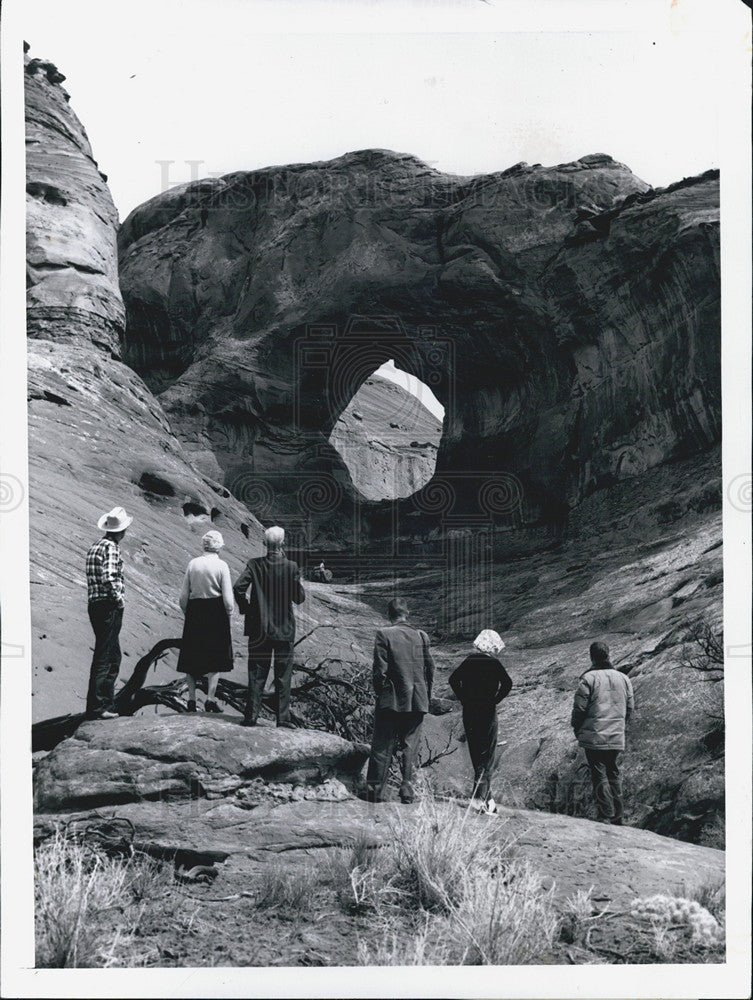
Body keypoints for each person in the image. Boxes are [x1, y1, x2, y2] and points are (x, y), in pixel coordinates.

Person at [364, 598, 435, 804]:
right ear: (408, 613)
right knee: (410, 746)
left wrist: (380, 694)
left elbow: (380, 671)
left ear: (389, 614)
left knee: (382, 744)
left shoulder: (384, 634)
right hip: (418, 699)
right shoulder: (421, 636)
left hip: (392, 699)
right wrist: (426, 696)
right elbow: (430, 669)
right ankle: (407, 790)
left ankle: (374, 791)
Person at [233, 526, 305, 728]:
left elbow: (238, 588)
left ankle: (251, 716)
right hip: (283, 629)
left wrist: (247, 609)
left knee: (257, 673)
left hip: (259, 629)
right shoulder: (291, 566)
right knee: (282, 675)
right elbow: (299, 598)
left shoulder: (254, 565)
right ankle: (282, 719)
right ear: (282, 543)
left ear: (265, 544)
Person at [571, 640, 635, 825]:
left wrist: (576, 727)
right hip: (615, 733)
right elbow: (630, 707)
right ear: (608, 654)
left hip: (595, 735)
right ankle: (618, 815)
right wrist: (620, 725)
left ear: (592, 657)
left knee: (598, 772)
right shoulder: (623, 678)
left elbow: (579, 709)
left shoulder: (588, 679)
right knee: (613, 771)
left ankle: (605, 814)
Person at [449, 629, 512, 814]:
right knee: (487, 756)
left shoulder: (469, 661)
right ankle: (482, 801)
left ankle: (486, 799)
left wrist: (463, 698)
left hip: (470, 712)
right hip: (487, 712)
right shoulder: (494, 663)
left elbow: (453, 679)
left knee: (476, 754)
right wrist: (494, 699)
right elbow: (507, 684)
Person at [176, 529, 235, 712]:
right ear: (218, 546)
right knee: (215, 657)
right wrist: (229, 613)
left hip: (195, 610)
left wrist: (188, 612)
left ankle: (192, 700)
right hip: (216, 611)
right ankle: (210, 698)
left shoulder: (193, 564)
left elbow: (182, 598)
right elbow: (227, 599)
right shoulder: (222, 566)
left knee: (191, 655)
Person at [85, 506, 133, 719]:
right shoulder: (112, 547)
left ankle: (105, 704)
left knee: (111, 654)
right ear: (121, 531)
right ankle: (99, 708)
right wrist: (119, 599)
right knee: (106, 657)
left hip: (94, 604)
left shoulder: (95, 545)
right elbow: (109, 576)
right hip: (108, 606)